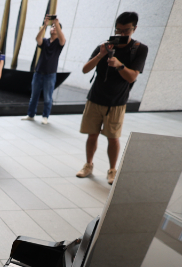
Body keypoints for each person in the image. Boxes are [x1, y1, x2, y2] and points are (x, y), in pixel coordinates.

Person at [77, 11, 147, 185]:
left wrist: (119, 65)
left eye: (126, 31)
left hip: (116, 102)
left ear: (134, 29)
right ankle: (88, 165)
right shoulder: (105, 46)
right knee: (92, 135)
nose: (121, 34)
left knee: (113, 137)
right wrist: (101, 54)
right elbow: (85, 69)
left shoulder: (139, 49)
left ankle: (112, 169)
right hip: (95, 98)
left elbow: (132, 77)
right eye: (118, 30)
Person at [22, 15, 66, 124]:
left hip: (50, 74)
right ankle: (31, 114)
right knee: (34, 96)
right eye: (52, 27)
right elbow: (37, 39)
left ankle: (45, 116)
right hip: (38, 72)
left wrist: (57, 23)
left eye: (55, 27)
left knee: (47, 97)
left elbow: (63, 39)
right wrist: (45, 25)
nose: (53, 28)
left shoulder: (59, 43)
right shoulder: (45, 41)